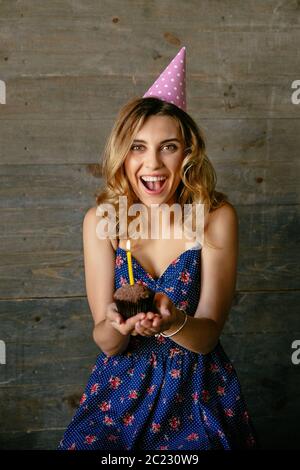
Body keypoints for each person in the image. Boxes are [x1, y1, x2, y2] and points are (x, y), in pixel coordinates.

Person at [57, 47, 259, 450]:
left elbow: (207, 336)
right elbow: (105, 340)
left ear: (187, 153)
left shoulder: (215, 217)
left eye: (168, 146)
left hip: (197, 394)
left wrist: (172, 322)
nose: (153, 163)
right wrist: (119, 326)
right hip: (118, 396)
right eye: (138, 147)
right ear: (122, 154)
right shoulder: (102, 222)